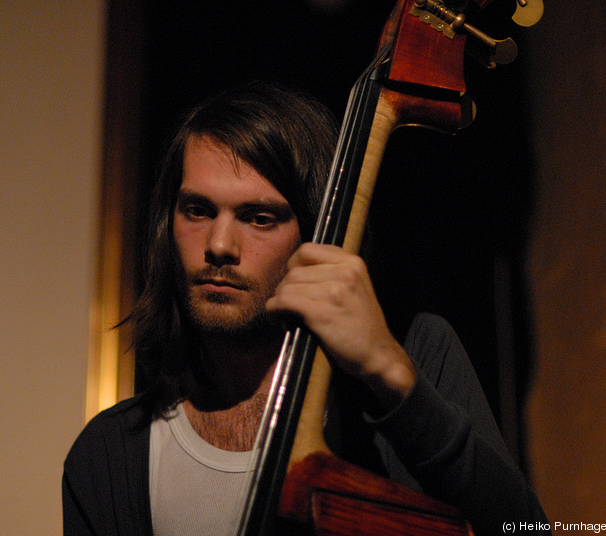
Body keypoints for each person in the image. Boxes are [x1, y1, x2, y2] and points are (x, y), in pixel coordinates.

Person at [62, 82, 550, 536]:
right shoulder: (107, 456)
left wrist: (392, 375)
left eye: (258, 218)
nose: (219, 244)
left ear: (315, 234)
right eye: (198, 210)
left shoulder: (418, 353)